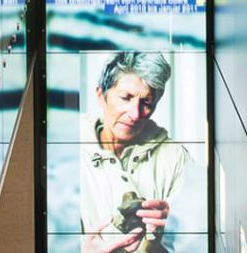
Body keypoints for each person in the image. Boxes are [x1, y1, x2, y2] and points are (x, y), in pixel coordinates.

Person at [80, 52, 189, 253]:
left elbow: (197, 244)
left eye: (147, 103)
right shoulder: (67, 150)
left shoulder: (176, 158)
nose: (135, 114)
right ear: (100, 96)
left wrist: (162, 240)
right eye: (125, 97)